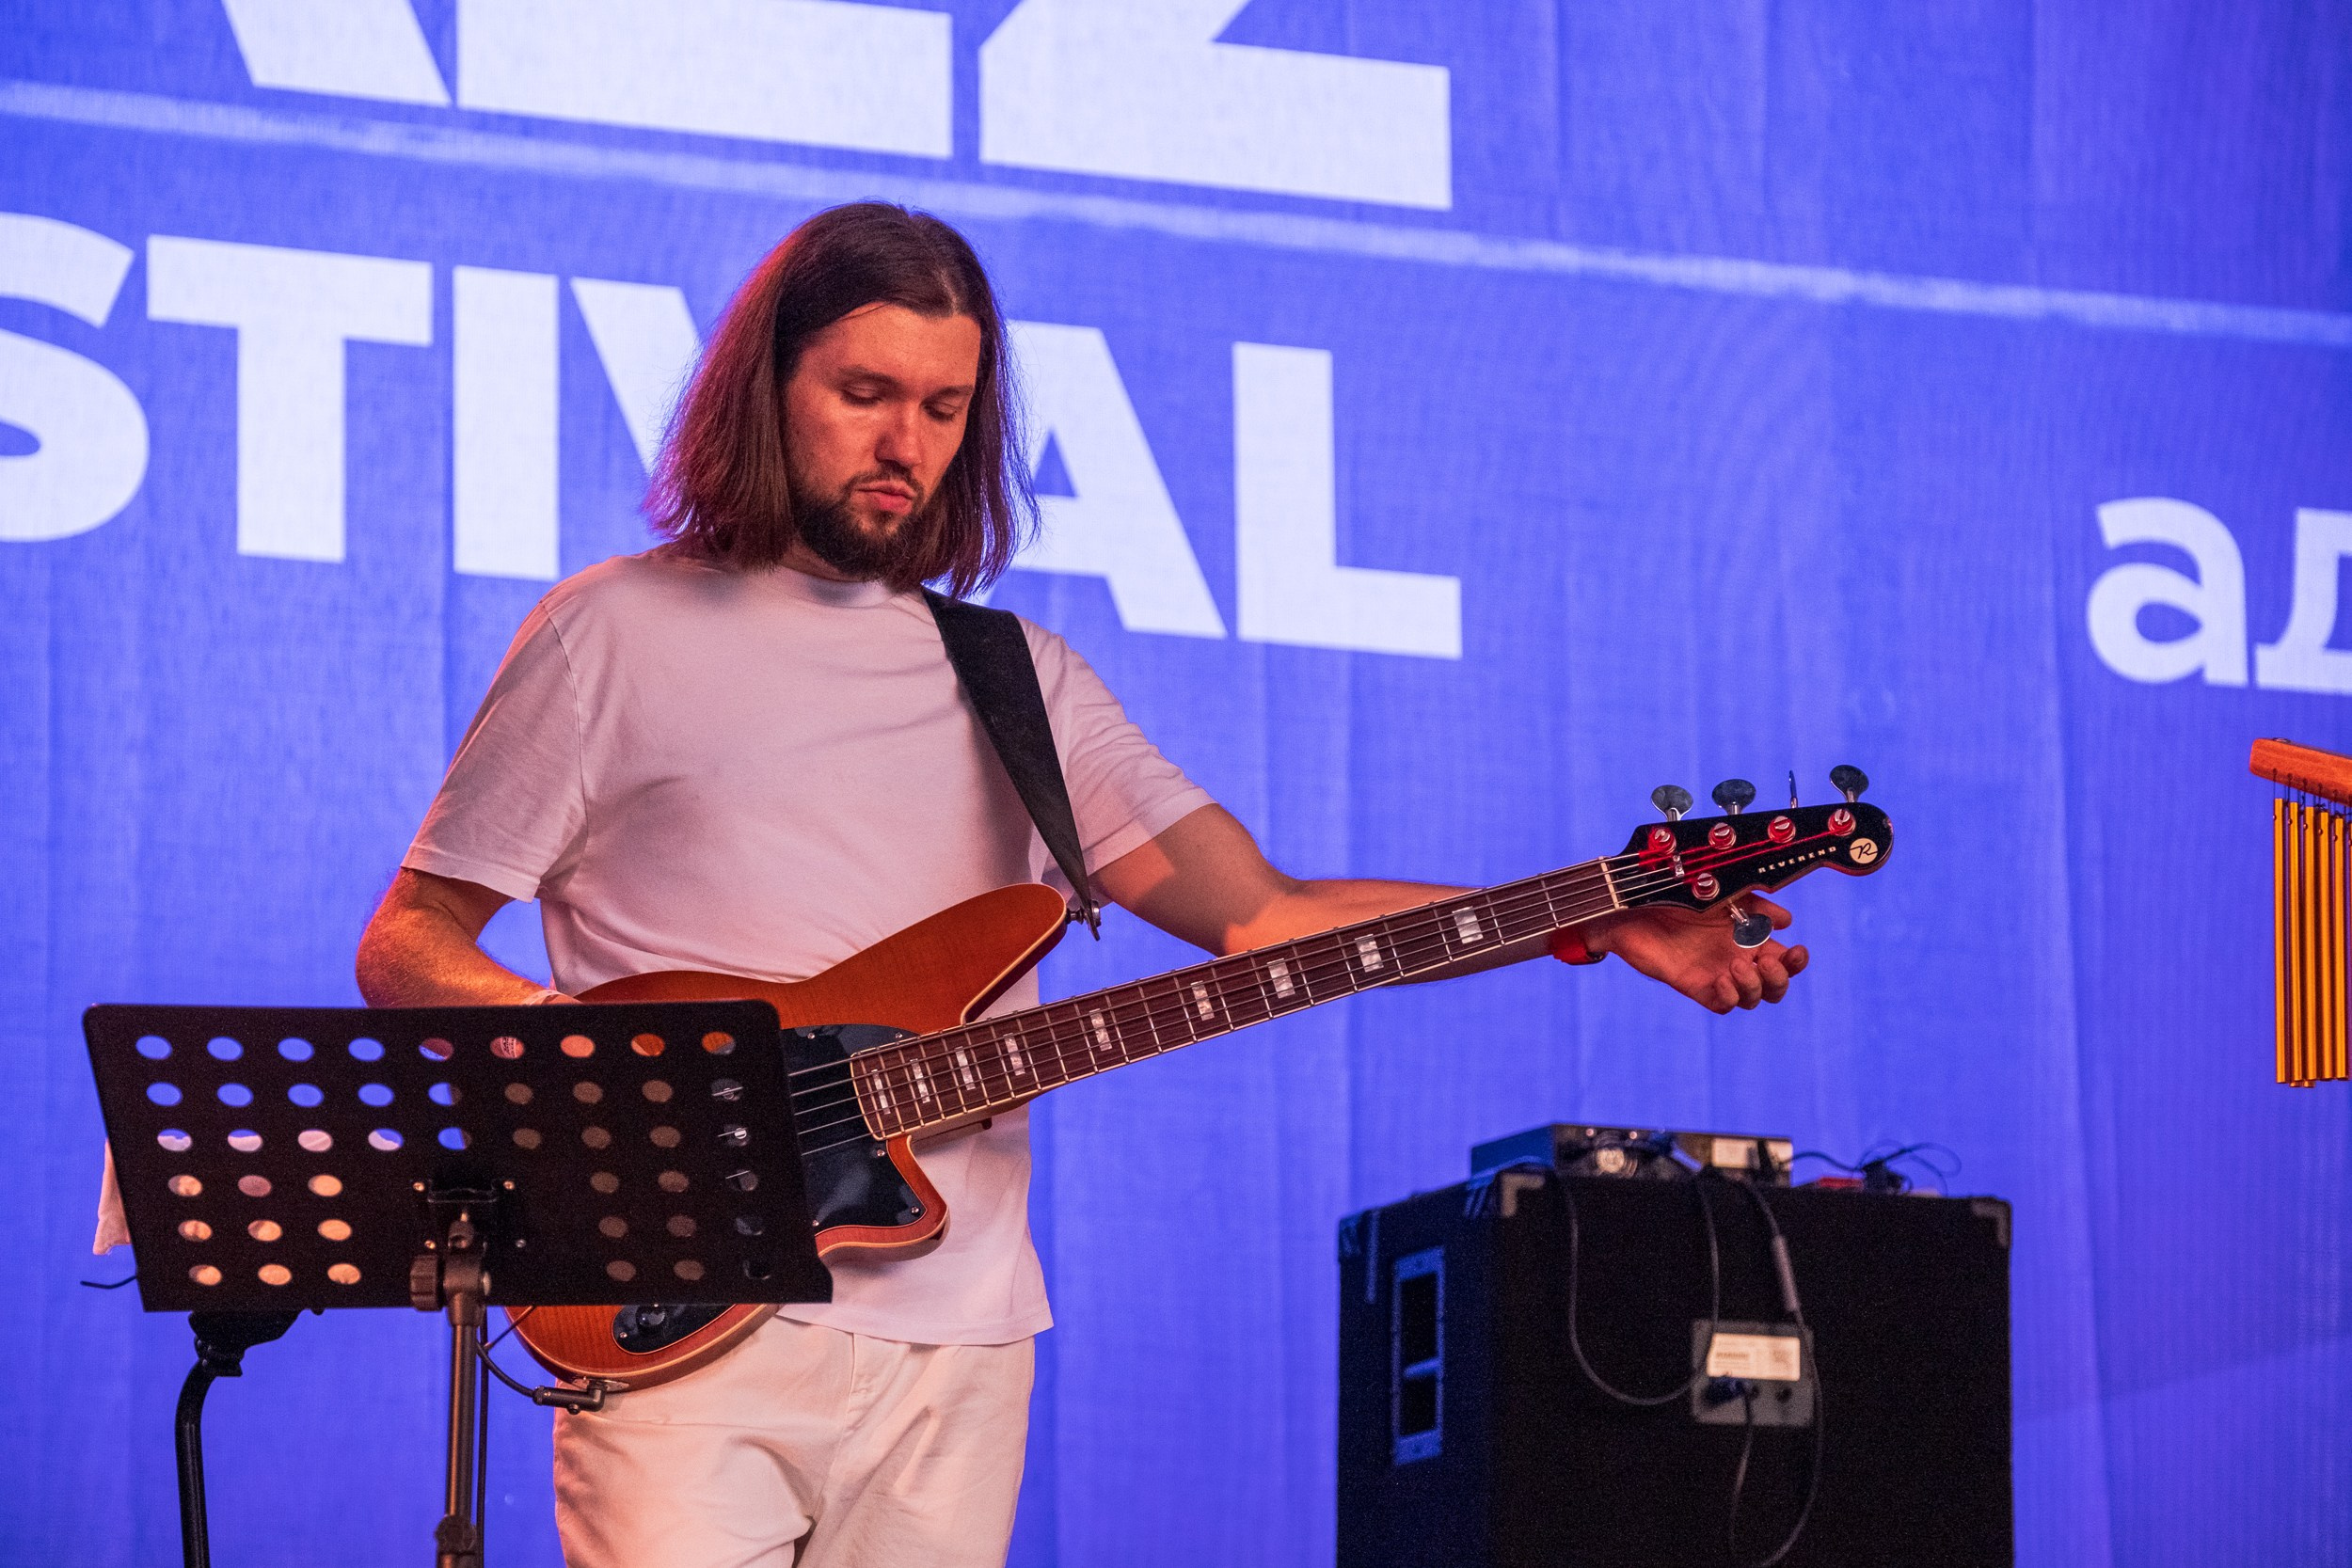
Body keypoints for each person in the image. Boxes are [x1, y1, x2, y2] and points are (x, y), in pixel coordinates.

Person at [354, 202, 1807, 1568]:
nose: (903, 443)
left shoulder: (1017, 682)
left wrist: (1593, 909)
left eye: (942, 408)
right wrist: (606, 1052)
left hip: (961, 1344)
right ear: (766, 386)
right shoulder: (614, 630)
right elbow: (410, 943)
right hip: (681, 1323)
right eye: (864, 392)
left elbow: (1268, 920)